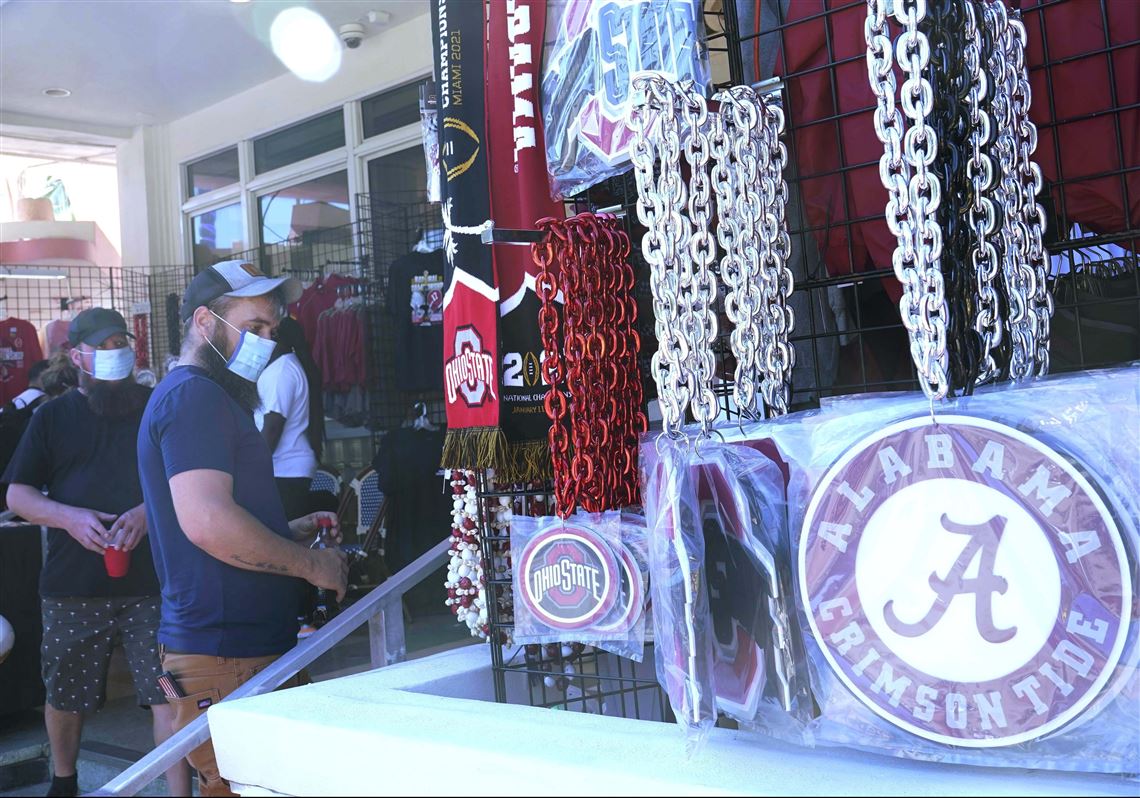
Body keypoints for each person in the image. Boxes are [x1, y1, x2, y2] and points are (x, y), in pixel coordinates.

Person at [138, 260, 347, 798]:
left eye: (272, 331)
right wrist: (313, 565)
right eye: (253, 327)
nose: (265, 341)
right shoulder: (195, 397)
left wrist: (286, 529)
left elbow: (213, 515)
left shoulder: (207, 397)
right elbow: (209, 523)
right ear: (205, 323)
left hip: (237, 650)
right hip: (226, 655)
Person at [3, 308, 191, 798]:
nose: (113, 355)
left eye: (119, 344)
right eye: (101, 346)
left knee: (167, 692)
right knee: (65, 693)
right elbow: (17, 495)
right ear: (76, 354)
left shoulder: (157, 406)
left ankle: (180, 792)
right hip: (73, 586)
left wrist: (148, 514)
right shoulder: (51, 415)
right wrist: (69, 517)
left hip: (155, 581)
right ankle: (63, 783)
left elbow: (188, 482)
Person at [254, 316, 324, 520]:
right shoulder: (282, 367)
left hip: (285, 471)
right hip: (285, 470)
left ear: (274, 336)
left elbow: (272, 428)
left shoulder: (282, 372)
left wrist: (250, 469)